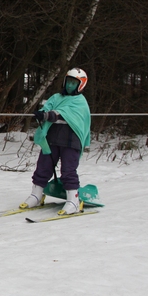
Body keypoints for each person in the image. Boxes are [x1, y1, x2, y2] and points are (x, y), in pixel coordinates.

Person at [20, 68, 91, 215]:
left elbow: (66, 114)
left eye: (73, 83)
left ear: (80, 85)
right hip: (52, 138)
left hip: (71, 140)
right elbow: (49, 108)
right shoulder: (56, 97)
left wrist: (50, 115)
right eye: (68, 82)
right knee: (43, 166)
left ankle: (73, 199)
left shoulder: (80, 102)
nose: (70, 86)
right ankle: (36, 194)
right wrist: (42, 114)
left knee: (68, 169)